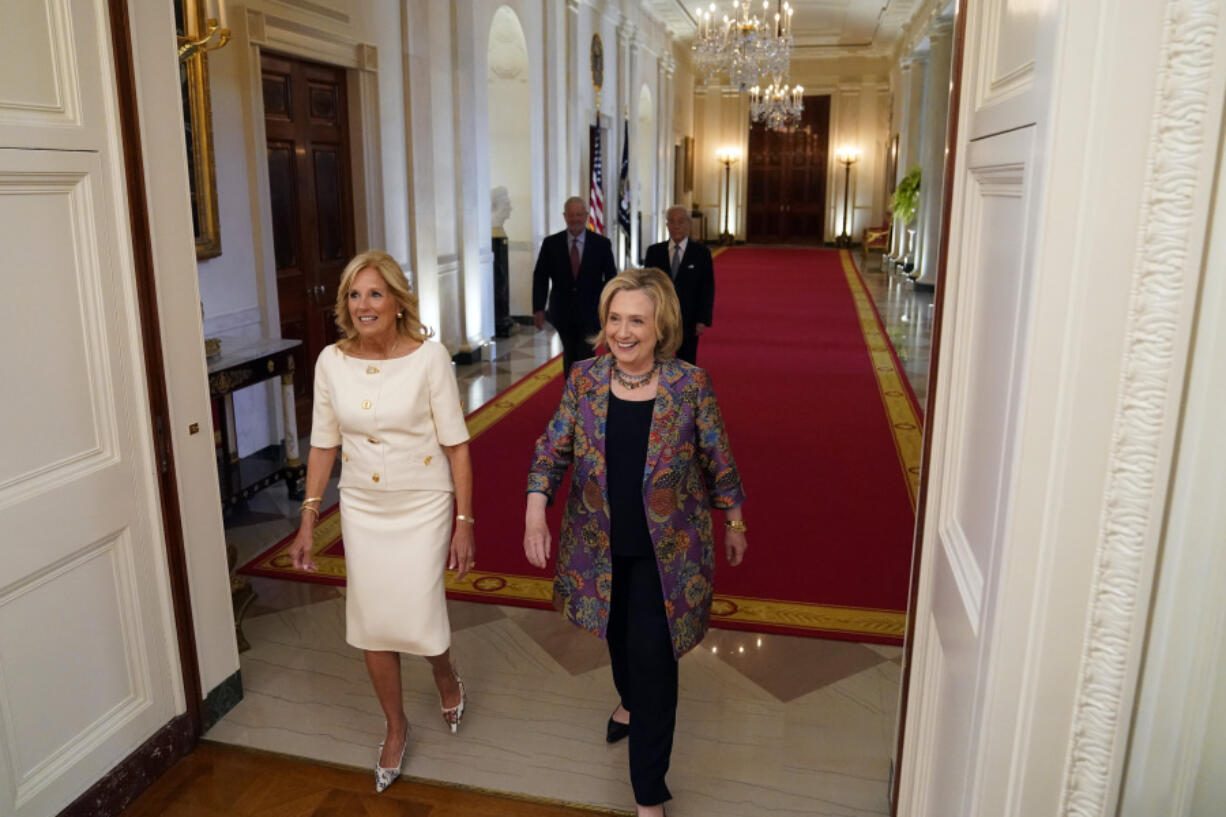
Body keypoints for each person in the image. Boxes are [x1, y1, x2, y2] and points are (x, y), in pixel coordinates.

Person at [523, 268, 748, 817]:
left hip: (668, 553)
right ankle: (627, 701)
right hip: (599, 546)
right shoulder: (584, 378)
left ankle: (648, 791)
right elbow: (552, 450)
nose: (623, 332)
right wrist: (536, 512)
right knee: (617, 637)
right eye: (615, 319)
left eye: (636, 321)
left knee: (654, 658)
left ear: (660, 325)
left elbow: (717, 457)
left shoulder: (689, 385)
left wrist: (734, 521)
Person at [287, 249, 475, 794]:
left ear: (396, 301)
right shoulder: (330, 361)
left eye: (375, 293)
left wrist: (465, 520)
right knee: (371, 619)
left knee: (418, 611)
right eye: (354, 294)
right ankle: (395, 726)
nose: (364, 304)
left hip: (423, 501)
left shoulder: (429, 358)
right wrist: (307, 519)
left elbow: (457, 448)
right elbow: (323, 445)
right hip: (363, 508)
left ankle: (443, 670)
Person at [532, 196, 618, 374]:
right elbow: (540, 276)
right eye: (571, 215)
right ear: (565, 217)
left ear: (586, 216)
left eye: (579, 214)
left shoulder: (601, 244)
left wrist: (612, 309)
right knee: (570, 354)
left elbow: (611, 278)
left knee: (586, 354)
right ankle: (572, 395)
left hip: (592, 312)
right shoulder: (551, 244)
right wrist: (538, 308)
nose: (575, 219)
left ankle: (585, 394)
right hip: (562, 312)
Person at [642, 206, 715, 365]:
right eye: (672, 222)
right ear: (667, 225)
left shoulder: (701, 253)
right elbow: (646, 287)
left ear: (689, 224)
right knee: (658, 361)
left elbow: (707, 288)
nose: (676, 226)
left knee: (686, 363)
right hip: (659, 319)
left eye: (681, 222)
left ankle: (685, 390)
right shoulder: (654, 252)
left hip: (688, 321)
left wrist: (702, 319)